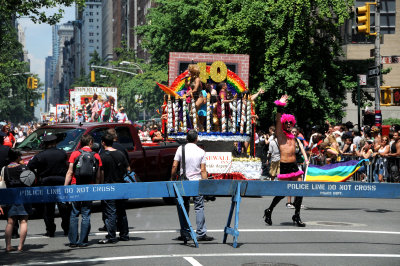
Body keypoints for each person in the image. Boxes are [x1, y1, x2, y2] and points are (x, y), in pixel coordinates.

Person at [263, 95, 309, 227]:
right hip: (284, 166)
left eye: (290, 123)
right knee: (282, 193)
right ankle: (269, 210)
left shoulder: (294, 137)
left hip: (294, 166)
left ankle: (297, 215)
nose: (288, 124)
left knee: (299, 191)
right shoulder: (280, 134)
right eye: (286, 123)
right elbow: (278, 120)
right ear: (284, 124)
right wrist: (279, 106)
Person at [170, 129, 214, 242]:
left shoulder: (181, 148)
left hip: (184, 182)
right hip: (197, 182)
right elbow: (203, 170)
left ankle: (185, 232)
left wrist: (172, 178)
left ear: (186, 138)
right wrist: (206, 185)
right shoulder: (201, 151)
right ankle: (201, 233)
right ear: (196, 139)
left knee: (183, 207)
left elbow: (175, 166)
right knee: (199, 207)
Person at [28, 135, 70, 237]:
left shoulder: (40, 155)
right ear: (55, 142)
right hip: (61, 182)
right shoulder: (62, 153)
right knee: (64, 208)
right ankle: (66, 229)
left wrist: (37, 175)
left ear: (45, 144)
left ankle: (50, 230)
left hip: (46, 183)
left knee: (48, 209)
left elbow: (30, 166)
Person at [64, 135, 102, 248]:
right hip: (89, 187)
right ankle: (83, 240)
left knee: (74, 213)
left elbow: (70, 172)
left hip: (76, 186)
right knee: (86, 214)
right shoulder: (96, 155)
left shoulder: (75, 154)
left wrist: (65, 187)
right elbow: (98, 175)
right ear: (91, 142)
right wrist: (97, 186)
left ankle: (73, 241)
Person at [98, 134, 131, 243]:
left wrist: (100, 185)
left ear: (103, 142)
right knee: (121, 211)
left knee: (111, 212)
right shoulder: (120, 154)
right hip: (120, 185)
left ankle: (111, 236)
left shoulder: (102, 156)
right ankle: (124, 234)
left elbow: (101, 173)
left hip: (108, 186)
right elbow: (128, 168)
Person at [3, 149, 32, 252]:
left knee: (10, 221)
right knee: (23, 220)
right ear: (17, 157)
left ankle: (8, 246)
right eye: (20, 157)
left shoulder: (5, 168)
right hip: (22, 195)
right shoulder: (23, 167)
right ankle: (20, 246)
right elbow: (30, 180)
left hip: (10, 195)